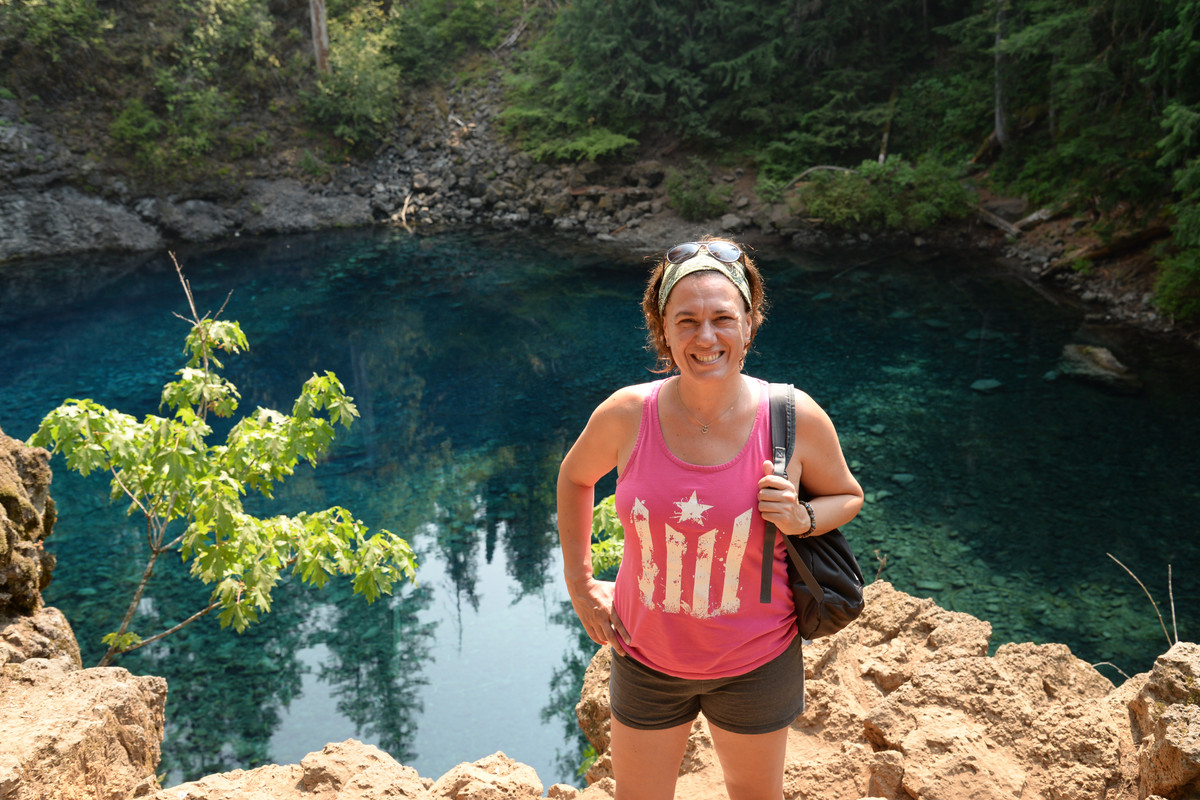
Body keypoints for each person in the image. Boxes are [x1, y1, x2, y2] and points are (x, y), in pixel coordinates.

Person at [556, 237, 864, 800]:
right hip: (645, 658)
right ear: (663, 328)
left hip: (757, 661)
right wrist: (580, 586)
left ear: (750, 324)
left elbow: (846, 496)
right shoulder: (628, 413)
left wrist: (800, 517)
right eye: (687, 320)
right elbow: (575, 477)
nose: (706, 337)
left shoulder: (791, 416)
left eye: (723, 318)